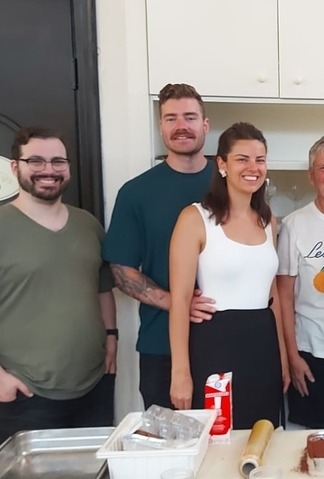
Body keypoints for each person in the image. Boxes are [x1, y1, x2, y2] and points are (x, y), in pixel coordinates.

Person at [0, 127, 117, 447]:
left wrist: (112, 339)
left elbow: (102, 289)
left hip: (93, 386)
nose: (49, 170)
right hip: (25, 395)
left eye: (58, 161)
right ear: (15, 167)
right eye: (36, 161)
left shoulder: (88, 225)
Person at [167, 122, 289, 429]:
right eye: (242, 159)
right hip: (215, 344)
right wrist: (180, 372)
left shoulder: (267, 220)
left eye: (260, 160)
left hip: (262, 344)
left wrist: (283, 359)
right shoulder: (194, 218)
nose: (253, 168)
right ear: (221, 164)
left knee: (261, 436)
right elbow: (180, 301)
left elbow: (272, 294)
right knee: (219, 439)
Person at [102, 83, 218, 410]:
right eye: (171, 118)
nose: (181, 126)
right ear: (161, 127)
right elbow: (121, 271)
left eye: (190, 117)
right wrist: (177, 303)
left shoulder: (234, 186)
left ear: (205, 126)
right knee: (169, 451)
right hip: (161, 347)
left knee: (228, 448)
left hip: (225, 341)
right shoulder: (136, 193)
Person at [276, 136, 324, 429]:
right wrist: (292, 356)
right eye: (323, 168)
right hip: (313, 353)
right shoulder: (295, 225)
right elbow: (284, 297)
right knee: (315, 438)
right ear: (311, 176)